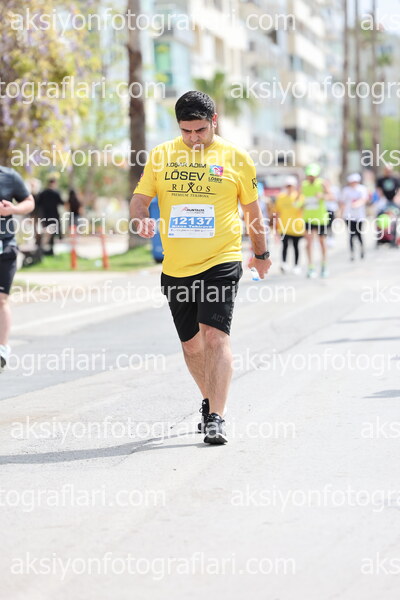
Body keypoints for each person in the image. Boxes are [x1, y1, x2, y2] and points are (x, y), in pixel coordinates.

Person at [130, 90, 271, 445]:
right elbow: (140, 198)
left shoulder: (236, 157)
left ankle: (217, 417)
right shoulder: (161, 155)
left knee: (214, 336)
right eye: (186, 131)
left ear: (214, 121)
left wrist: (261, 253)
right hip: (177, 266)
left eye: (200, 130)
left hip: (221, 259)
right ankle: (209, 401)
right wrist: (140, 217)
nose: (193, 138)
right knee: (192, 346)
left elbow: (252, 212)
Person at [0, 166, 35, 371]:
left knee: (1, 299)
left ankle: (2, 349)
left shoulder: (9, 176)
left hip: (5, 247)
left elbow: (29, 201)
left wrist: (11, 210)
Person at [298, 163, 330, 279]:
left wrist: (322, 196)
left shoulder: (322, 183)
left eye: (313, 175)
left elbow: (331, 196)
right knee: (309, 242)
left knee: (322, 242)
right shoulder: (303, 185)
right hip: (308, 218)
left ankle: (324, 265)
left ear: (317, 175)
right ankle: (310, 267)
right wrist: (299, 204)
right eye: (309, 175)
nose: (311, 177)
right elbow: (300, 198)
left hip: (321, 218)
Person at [274, 175, 304, 274]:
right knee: (285, 245)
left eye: (291, 186)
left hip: (296, 227)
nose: (289, 188)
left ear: (294, 186)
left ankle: (296, 265)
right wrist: (276, 227)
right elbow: (277, 212)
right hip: (284, 226)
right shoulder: (280, 197)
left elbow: (302, 209)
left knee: (296, 246)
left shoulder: (299, 197)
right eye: (287, 186)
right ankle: (284, 263)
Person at [339, 173, 368, 260]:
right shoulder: (346, 190)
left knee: (359, 234)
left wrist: (356, 204)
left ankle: (362, 249)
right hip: (349, 215)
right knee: (351, 234)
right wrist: (340, 214)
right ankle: (352, 252)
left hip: (359, 216)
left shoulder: (362, 189)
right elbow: (342, 202)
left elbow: (364, 199)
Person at [36, 177, 63, 255]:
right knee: (52, 234)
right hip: (54, 216)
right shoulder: (56, 193)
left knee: (46, 233)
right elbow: (61, 203)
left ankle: (44, 250)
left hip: (45, 216)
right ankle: (47, 249)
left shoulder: (42, 193)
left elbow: (38, 204)